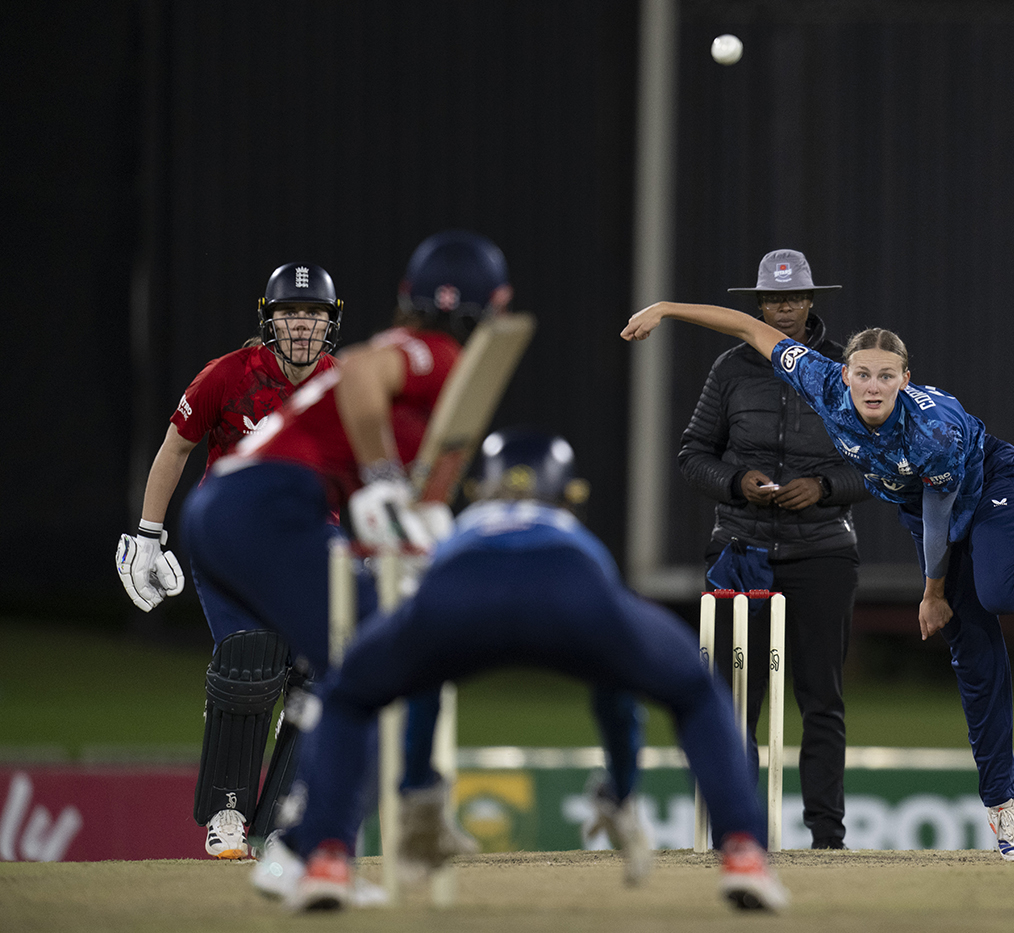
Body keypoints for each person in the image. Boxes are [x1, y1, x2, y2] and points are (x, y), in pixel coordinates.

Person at [623, 301, 1014, 862]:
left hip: (990, 490)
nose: (873, 386)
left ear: (905, 380)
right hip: (926, 511)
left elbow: (941, 515)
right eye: (863, 373)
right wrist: (665, 308)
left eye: (887, 376)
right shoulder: (819, 378)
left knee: (1000, 590)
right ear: (843, 374)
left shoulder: (930, 432)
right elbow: (748, 327)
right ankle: (1007, 817)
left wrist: (932, 594)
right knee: (976, 662)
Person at [275, 428, 789, 913]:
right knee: (696, 692)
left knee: (348, 695)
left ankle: (325, 860)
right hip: (570, 586)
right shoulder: (572, 532)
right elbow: (616, 693)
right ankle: (743, 850)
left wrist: (417, 787)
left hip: (458, 590)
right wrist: (621, 788)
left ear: (481, 490)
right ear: (570, 494)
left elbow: (422, 684)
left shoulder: (462, 527)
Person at [177, 231, 510, 871]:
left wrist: (409, 519)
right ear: (487, 304)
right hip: (263, 507)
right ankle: (355, 830)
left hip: (239, 513)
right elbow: (359, 374)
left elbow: (402, 488)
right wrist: (386, 480)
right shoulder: (433, 354)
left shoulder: (428, 374)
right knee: (377, 659)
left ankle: (308, 843)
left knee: (362, 659)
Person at [115, 262, 342, 859]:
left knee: (322, 675)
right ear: (269, 321)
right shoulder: (228, 376)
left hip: (311, 550)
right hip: (232, 544)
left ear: (330, 324)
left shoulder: (346, 385)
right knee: (248, 662)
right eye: (291, 314)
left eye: (313, 315)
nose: (301, 326)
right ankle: (228, 813)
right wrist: (146, 534)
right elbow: (176, 447)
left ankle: (291, 816)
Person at [677, 249, 868, 850]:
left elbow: (882, 462)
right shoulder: (731, 370)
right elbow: (692, 454)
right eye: (771, 300)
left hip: (822, 551)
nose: (782, 308)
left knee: (821, 698)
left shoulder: (845, 369)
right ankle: (733, 837)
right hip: (741, 547)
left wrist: (825, 487)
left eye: (793, 298)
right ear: (756, 306)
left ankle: (827, 840)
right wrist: (738, 483)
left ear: (811, 302)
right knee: (734, 703)